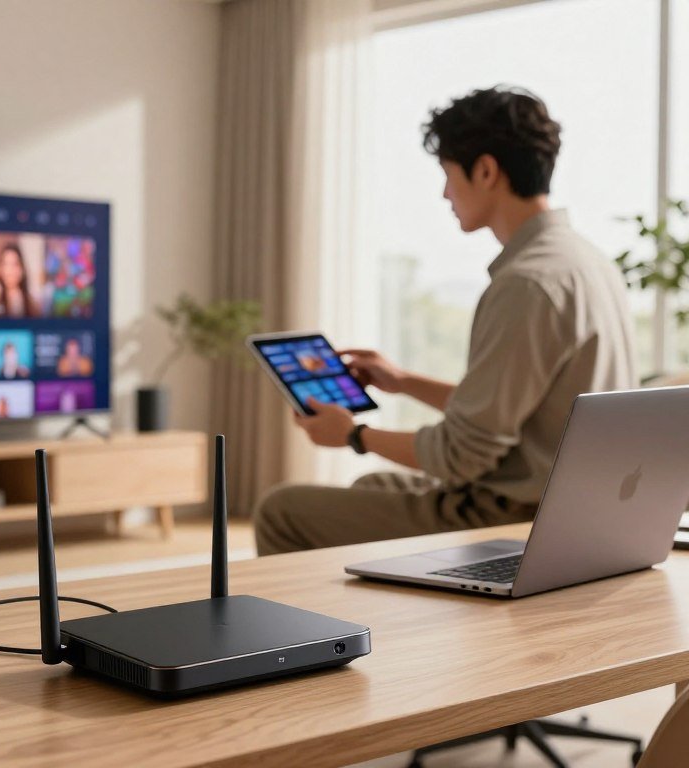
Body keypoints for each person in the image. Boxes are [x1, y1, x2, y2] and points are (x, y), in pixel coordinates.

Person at [254, 85, 638, 556]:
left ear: (485, 170)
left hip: (512, 518)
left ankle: (303, 632)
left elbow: (463, 454)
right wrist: (404, 381)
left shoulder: (526, 284)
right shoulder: (585, 261)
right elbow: (512, 412)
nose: (443, 193)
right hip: (572, 505)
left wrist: (353, 434)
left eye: (448, 174)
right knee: (374, 484)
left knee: (281, 510)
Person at [0, 244, 38, 317]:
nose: (10, 271)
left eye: (15, 264)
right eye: (6, 264)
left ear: (22, 269)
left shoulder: (30, 297)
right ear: (0, 268)